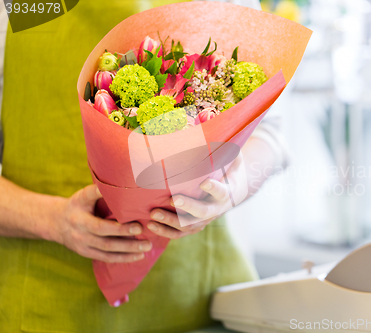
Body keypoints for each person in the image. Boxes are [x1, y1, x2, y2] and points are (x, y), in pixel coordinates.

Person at [0, 0, 288, 332]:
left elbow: (271, 135)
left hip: (201, 297)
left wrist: (230, 191)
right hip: (47, 300)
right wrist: (51, 221)